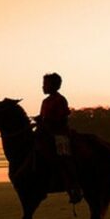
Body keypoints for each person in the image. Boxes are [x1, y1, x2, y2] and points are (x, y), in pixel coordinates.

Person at [34, 72, 82, 204]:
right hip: (45, 133)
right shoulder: (45, 101)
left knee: (64, 157)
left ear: (53, 86)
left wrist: (46, 121)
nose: (42, 87)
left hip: (59, 134)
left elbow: (62, 119)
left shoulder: (60, 100)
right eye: (43, 84)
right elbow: (43, 118)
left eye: (45, 84)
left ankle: (74, 187)